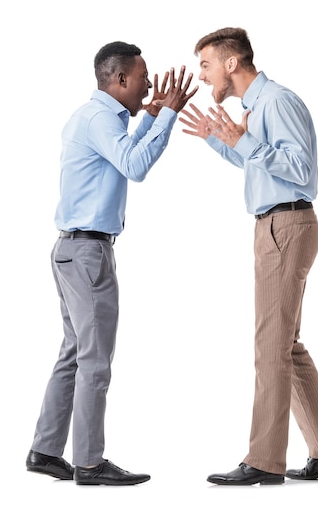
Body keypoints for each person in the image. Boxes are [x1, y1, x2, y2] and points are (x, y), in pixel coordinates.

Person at [179, 27, 318, 485]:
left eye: (205, 64)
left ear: (231, 63)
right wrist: (221, 140)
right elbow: (259, 160)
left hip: (285, 224)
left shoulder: (276, 101)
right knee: (285, 345)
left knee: (269, 348)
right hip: (276, 225)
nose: (202, 75)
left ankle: (264, 461)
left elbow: (300, 169)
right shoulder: (256, 108)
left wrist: (244, 141)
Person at [26, 41, 197, 486]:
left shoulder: (98, 117)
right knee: (95, 362)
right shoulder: (101, 118)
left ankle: (45, 451)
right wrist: (169, 115)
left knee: (74, 355)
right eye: (142, 76)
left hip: (73, 249)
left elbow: (121, 158)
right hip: (86, 254)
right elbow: (134, 166)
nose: (148, 83)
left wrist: (155, 115)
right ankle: (88, 462)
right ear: (120, 79)